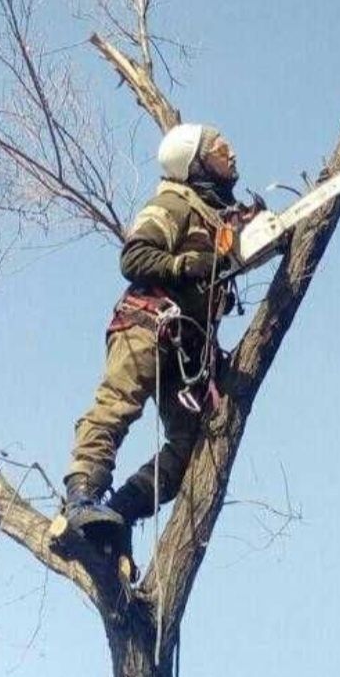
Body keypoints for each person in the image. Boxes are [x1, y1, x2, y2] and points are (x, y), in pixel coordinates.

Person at [63, 122, 241, 540]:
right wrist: (183, 265)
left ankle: (120, 512)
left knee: (189, 446)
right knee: (117, 405)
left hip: (189, 349)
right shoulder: (175, 204)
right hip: (147, 322)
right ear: (194, 160)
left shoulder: (215, 218)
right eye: (220, 148)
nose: (230, 154)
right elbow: (136, 256)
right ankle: (81, 495)